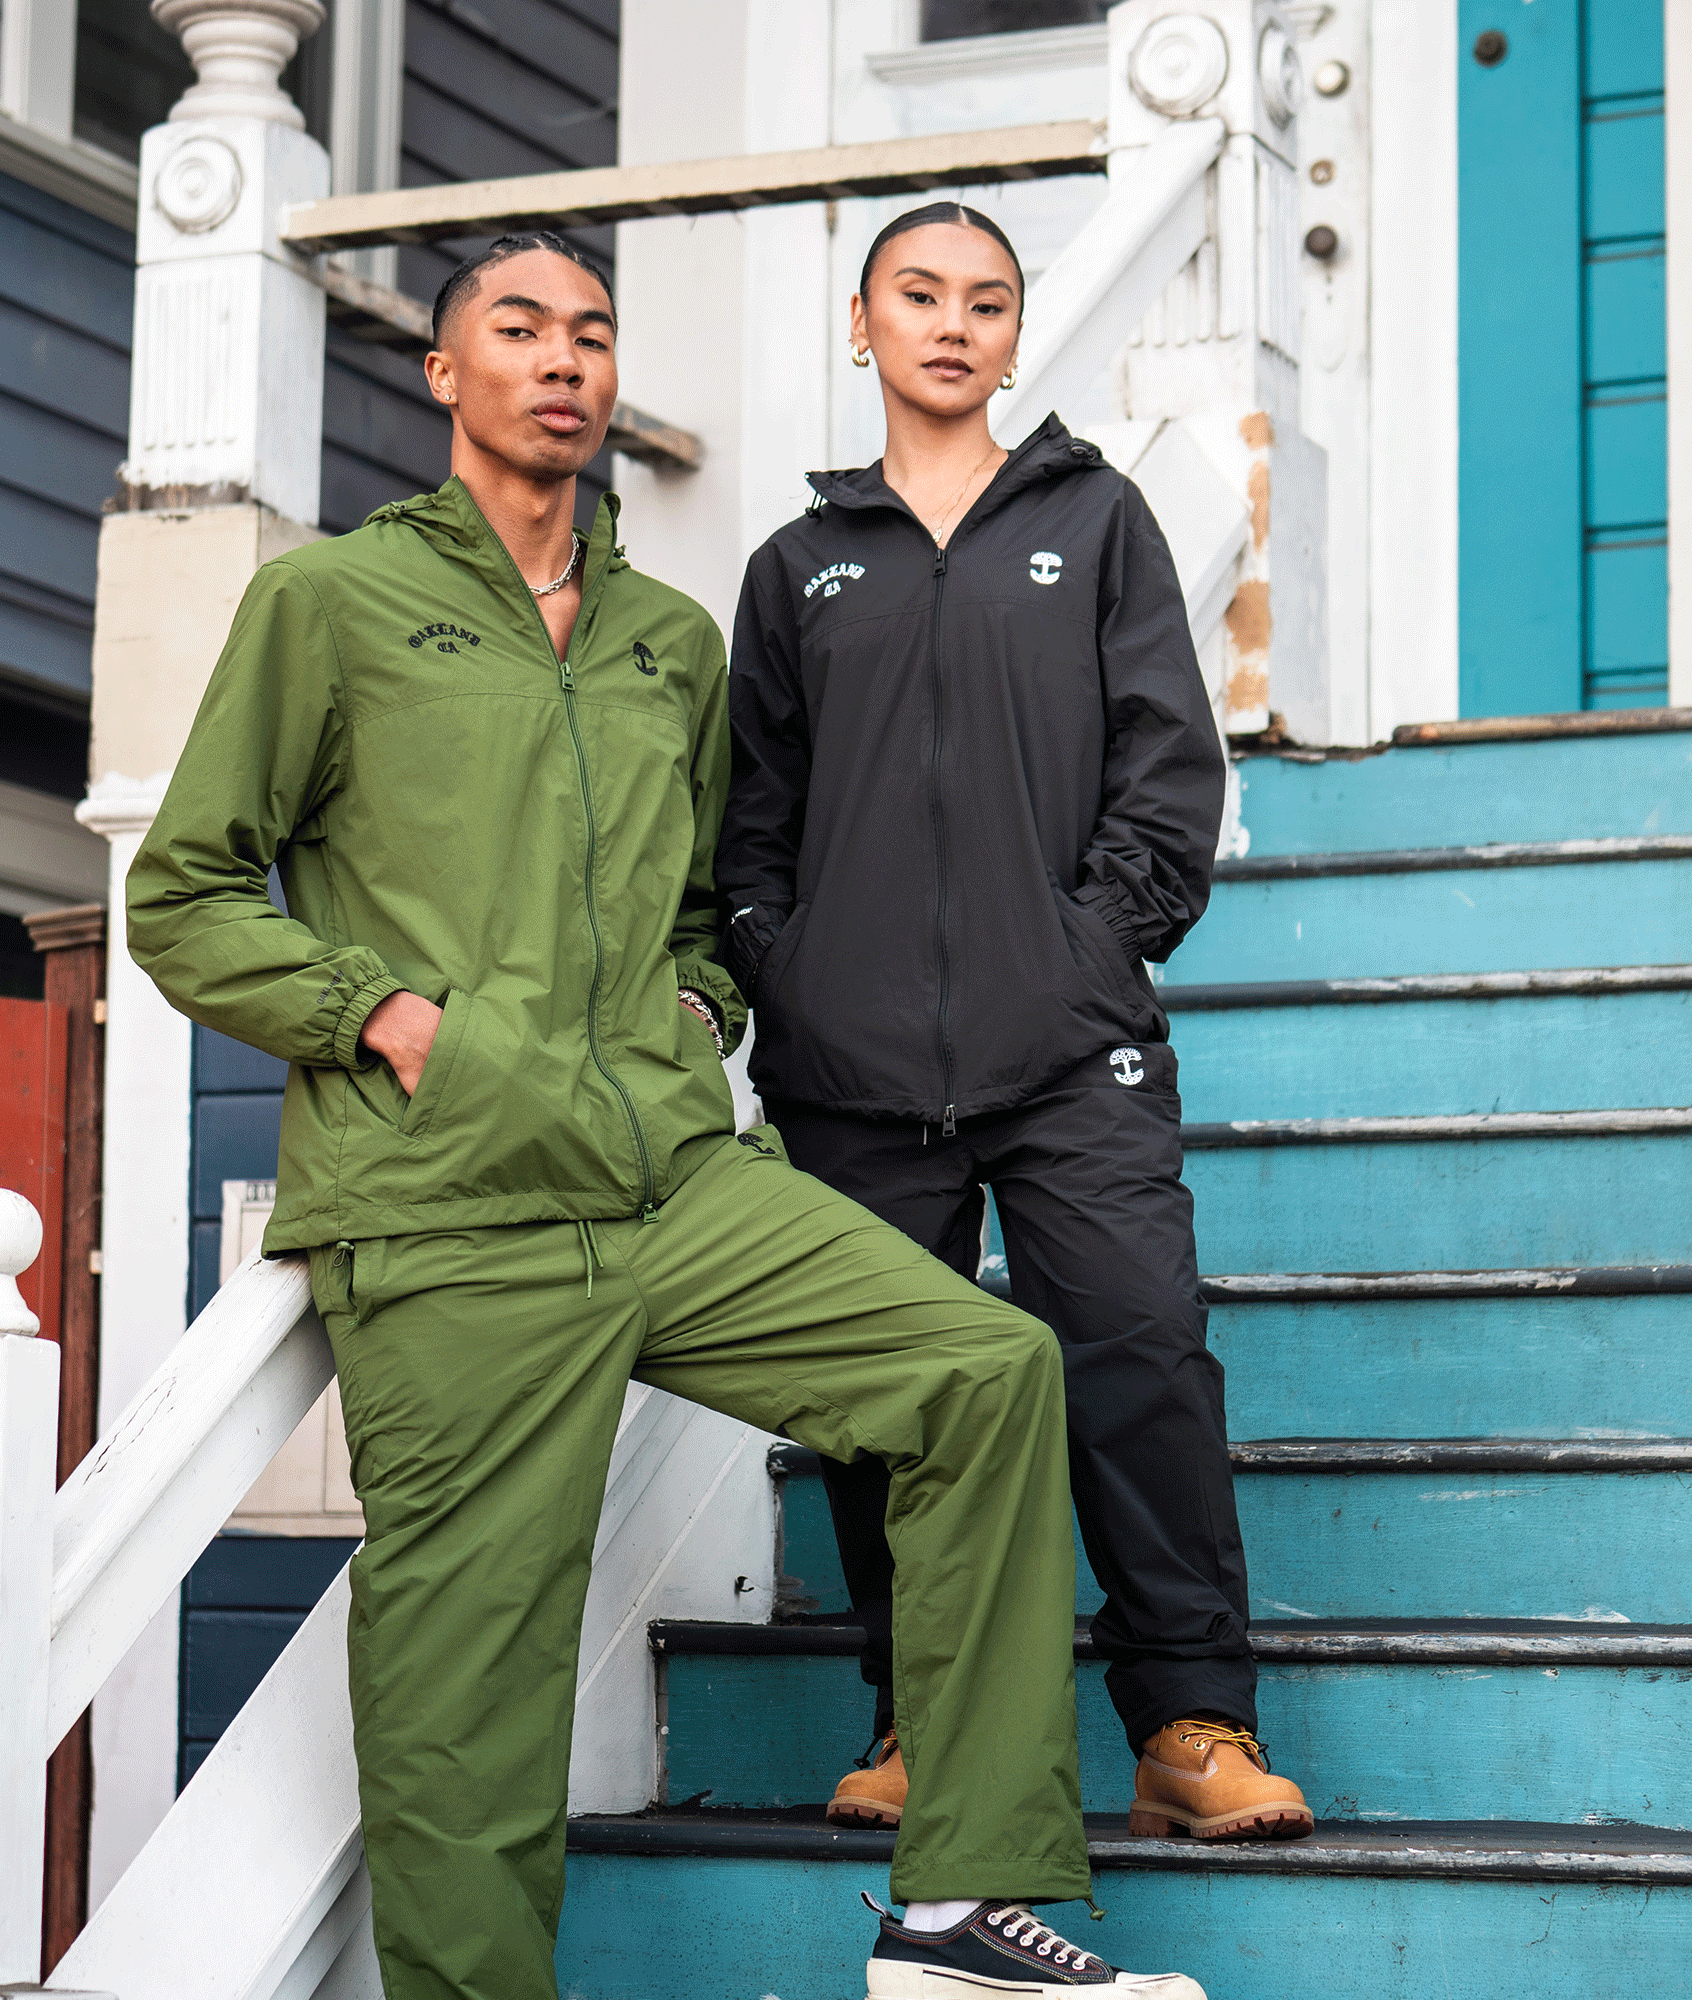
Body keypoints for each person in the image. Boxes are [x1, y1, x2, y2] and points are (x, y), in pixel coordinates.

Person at [127, 232, 1205, 2000]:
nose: (563, 360)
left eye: (593, 334)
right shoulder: (330, 607)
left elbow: (708, 895)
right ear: (446, 374)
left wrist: (699, 1007)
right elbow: (185, 894)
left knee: (986, 1373)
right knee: (471, 1681)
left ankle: (956, 1917)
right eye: (518, 330)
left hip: (671, 1180)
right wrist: (392, 1021)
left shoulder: (666, 638)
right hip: (450, 1211)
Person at [718, 202, 1313, 1847]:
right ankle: (921, 1717)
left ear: (1013, 333)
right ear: (864, 324)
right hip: (851, 1066)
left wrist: (1083, 952)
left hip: (1068, 1050)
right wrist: (793, 964)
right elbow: (750, 820)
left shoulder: (1096, 521)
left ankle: (1191, 1723)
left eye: (988, 300)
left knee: (1137, 1356)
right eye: (920, 294)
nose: (954, 323)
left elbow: (1166, 771)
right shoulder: (797, 568)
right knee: (892, 1396)